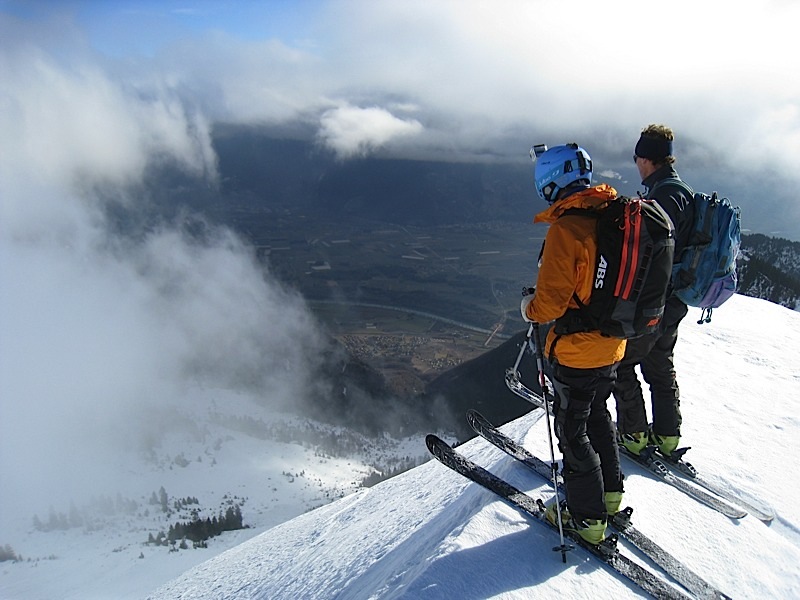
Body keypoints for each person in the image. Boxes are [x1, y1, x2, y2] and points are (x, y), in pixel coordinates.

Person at [520, 143, 625, 545]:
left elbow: (549, 305)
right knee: (597, 415)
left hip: (577, 352)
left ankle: (587, 518)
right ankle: (610, 495)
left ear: (549, 182)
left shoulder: (567, 229)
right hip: (612, 346)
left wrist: (528, 308)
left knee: (571, 430)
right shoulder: (610, 219)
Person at [614, 124, 696, 459]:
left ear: (646, 159)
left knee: (621, 362)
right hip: (677, 299)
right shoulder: (682, 192)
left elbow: (646, 252)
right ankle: (667, 436)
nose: (636, 163)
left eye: (637, 157)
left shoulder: (660, 197)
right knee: (660, 364)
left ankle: (633, 435)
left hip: (656, 302)